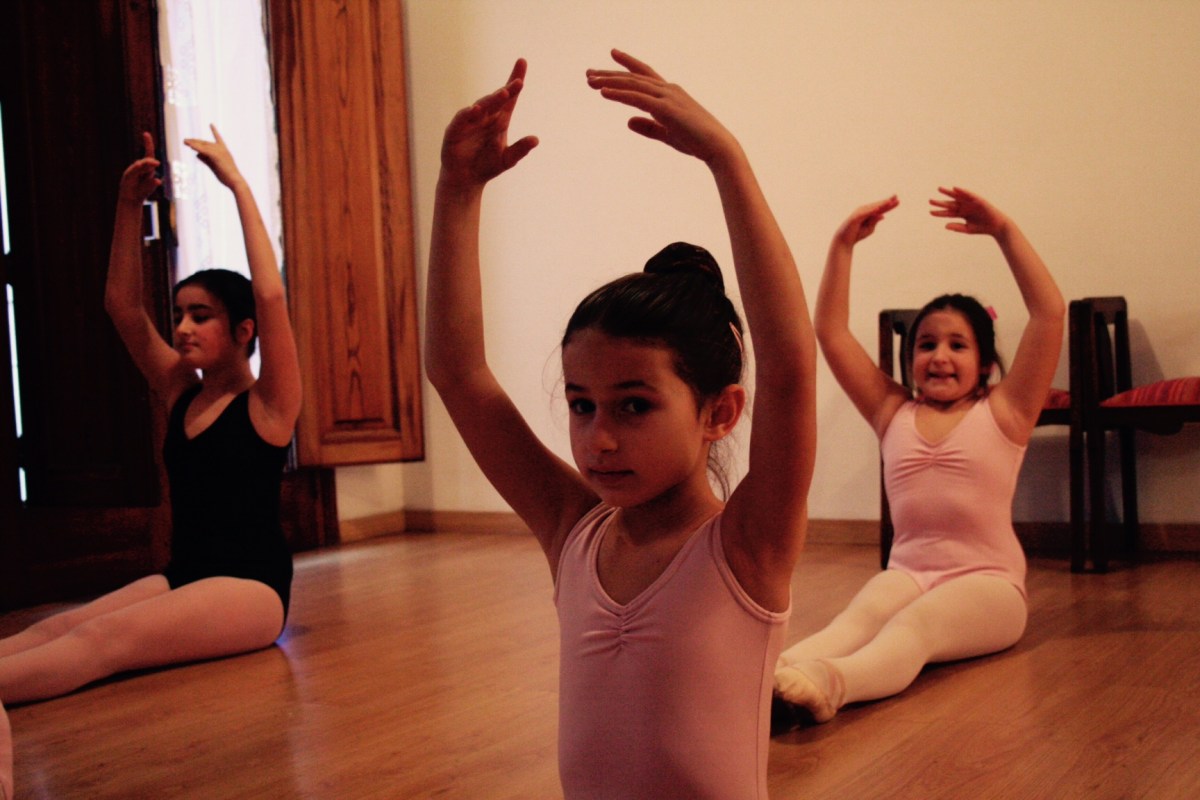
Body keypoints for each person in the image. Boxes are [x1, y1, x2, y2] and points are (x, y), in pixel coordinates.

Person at [425, 51, 815, 798]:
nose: (598, 437)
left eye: (635, 406)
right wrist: (457, 192)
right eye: (581, 404)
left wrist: (727, 162)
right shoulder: (574, 532)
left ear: (719, 412)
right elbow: (459, 375)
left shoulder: (746, 549)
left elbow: (793, 368)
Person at [0, 127, 302, 798]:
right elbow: (121, 308)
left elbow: (274, 297)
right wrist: (126, 205)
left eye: (202, 316)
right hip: (186, 573)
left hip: (251, 592)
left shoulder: (269, 405)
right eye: (181, 313)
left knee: (103, 643)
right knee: (64, 622)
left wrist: (238, 187)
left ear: (243, 332)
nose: (184, 327)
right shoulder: (179, 390)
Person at [772, 188, 1065, 728]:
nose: (940, 356)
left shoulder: (1006, 412)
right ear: (910, 359)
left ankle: (831, 686)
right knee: (857, 619)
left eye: (958, 345)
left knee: (915, 628)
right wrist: (842, 247)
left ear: (986, 366)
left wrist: (1003, 230)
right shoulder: (891, 412)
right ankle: (773, 674)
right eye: (926, 344)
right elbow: (831, 334)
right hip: (908, 571)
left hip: (990, 586)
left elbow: (1049, 314)